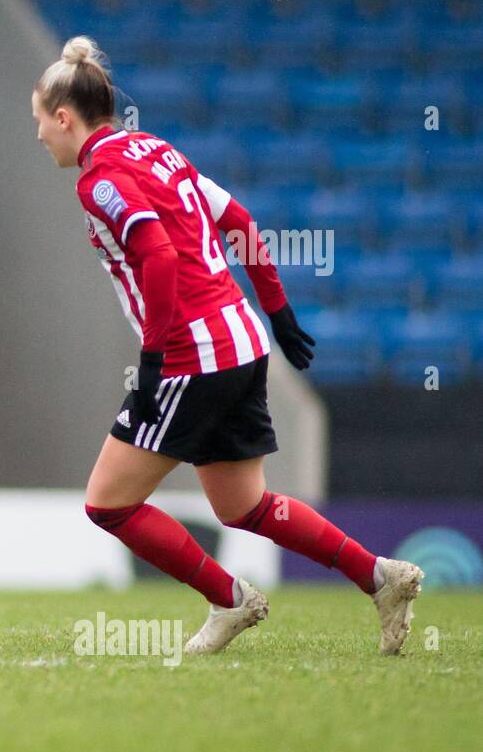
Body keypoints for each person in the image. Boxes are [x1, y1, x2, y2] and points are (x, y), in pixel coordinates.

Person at [31, 35, 423, 655]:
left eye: (39, 123)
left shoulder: (99, 177)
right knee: (244, 506)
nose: (39, 138)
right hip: (242, 341)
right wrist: (278, 310)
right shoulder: (156, 149)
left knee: (107, 505)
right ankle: (380, 577)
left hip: (192, 356)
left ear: (63, 116)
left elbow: (156, 253)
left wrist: (155, 358)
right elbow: (237, 218)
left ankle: (230, 598)